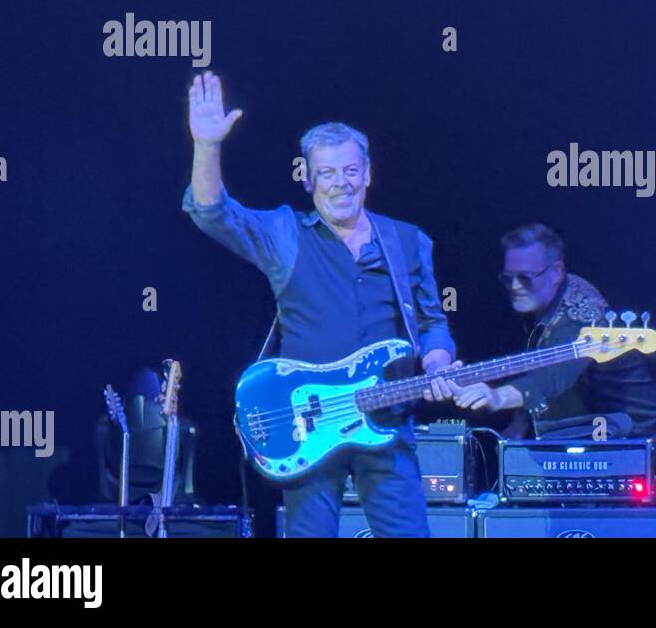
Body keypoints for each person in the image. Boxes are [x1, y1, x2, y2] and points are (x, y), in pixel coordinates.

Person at [181, 71, 459, 537]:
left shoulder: (408, 242)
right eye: (326, 173)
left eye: (351, 171)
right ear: (307, 179)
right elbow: (213, 213)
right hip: (308, 424)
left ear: (368, 173)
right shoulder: (285, 235)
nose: (340, 184)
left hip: (387, 420)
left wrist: (438, 361)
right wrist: (207, 146)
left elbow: (431, 322)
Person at [441, 223, 656, 502]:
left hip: (636, 454)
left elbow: (554, 377)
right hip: (593, 446)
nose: (515, 287)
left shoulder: (582, 311)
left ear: (556, 272)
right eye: (508, 279)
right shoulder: (544, 302)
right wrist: (518, 429)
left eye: (525, 277)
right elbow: (546, 371)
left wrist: (496, 396)